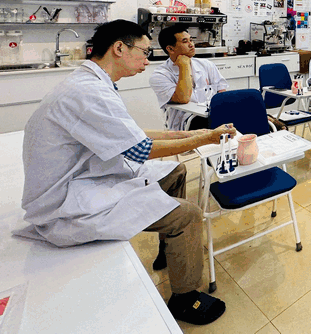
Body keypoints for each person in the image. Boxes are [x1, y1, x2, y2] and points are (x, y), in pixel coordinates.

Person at [18, 20, 233, 325]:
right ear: (119, 48)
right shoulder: (88, 92)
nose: (147, 59)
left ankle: (170, 247)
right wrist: (206, 138)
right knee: (189, 215)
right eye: (144, 52)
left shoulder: (94, 84)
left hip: (86, 176)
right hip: (66, 201)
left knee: (175, 171)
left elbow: (132, 133)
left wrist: (191, 135)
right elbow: (140, 149)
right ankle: (185, 299)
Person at [150, 24, 285, 131]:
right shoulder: (160, 75)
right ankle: (265, 120)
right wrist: (184, 66)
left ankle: (264, 126)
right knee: (242, 123)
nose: (191, 44)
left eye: (191, 40)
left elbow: (222, 94)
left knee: (247, 111)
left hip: (215, 113)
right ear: (170, 49)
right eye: (185, 41)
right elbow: (183, 98)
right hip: (188, 121)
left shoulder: (206, 65)